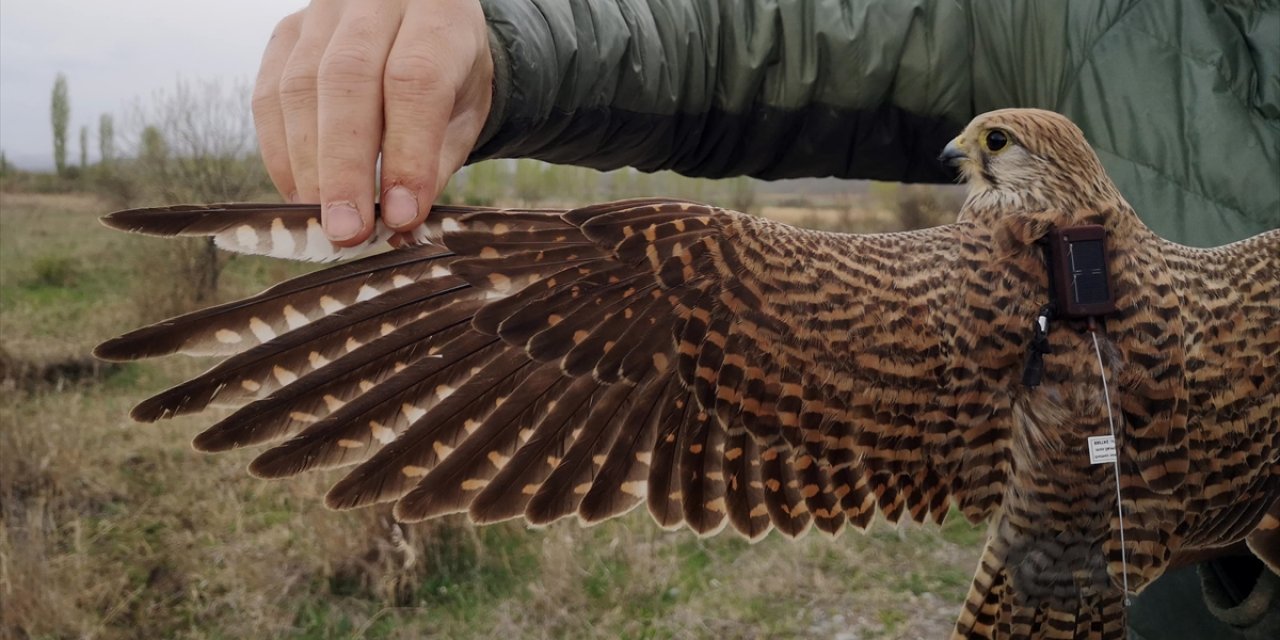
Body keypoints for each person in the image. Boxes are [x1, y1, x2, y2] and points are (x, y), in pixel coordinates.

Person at [250, 1, 1280, 637]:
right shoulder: (1072, 20)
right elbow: (763, 35)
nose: (971, 164)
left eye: (992, 152)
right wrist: (496, 33)